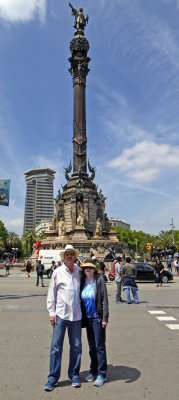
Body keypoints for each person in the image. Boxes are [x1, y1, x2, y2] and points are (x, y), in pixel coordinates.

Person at [44, 244, 82, 391]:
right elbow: (51, 293)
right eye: (67, 254)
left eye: (72, 254)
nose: (69, 256)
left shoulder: (80, 271)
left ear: (75, 256)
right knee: (56, 348)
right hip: (60, 315)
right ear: (63, 257)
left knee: (77, 347)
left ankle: (74, 375)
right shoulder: (58, 272)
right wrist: (51, 312)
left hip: (77, 316)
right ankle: (53, 378)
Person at [81, 260, 108, 387]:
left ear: (94, 269)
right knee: (92, 347)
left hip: (97, 318)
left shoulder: (99, 280)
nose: (88, 269)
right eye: (86, 268)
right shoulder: (82, 281)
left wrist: (105, 318)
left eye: (90, 268)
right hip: (88, 319)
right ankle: (93, 370)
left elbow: (104, 300)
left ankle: (102, 373)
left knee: (100, 347)